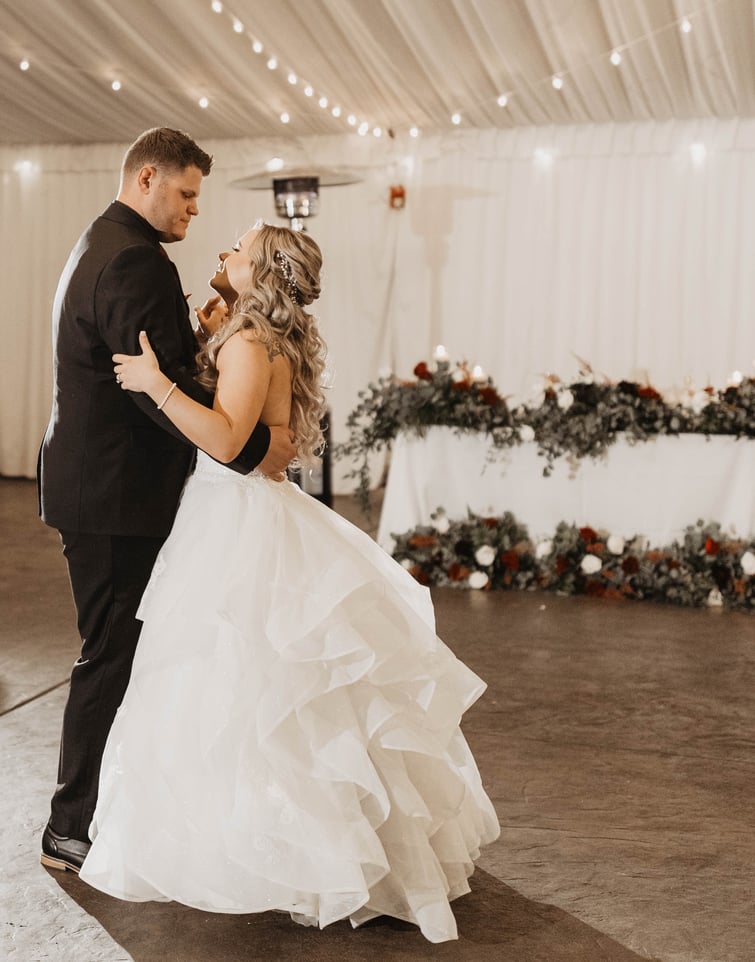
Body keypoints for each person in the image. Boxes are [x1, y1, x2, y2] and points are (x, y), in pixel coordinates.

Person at [78, 222, 500, 944]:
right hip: (245, 511)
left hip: (236, 521)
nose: (222, 254)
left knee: (247, 688)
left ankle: (283, 856)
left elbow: (232, 446)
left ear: (262, 270)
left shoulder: (250, 342)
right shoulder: (263, 337)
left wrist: (155, 384)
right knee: (266, 693)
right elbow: (268, 444)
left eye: (235, 250)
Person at [37, 129, 296, 875]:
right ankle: (68, 825)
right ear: (147, 177)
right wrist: (247, 452)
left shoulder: (104, 242)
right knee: (110, 657)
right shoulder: (135, 260)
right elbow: (151, 387)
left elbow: (166, 367)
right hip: (115, 493)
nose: (191, 212)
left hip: (98, 485)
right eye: (185, 194)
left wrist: (199, 341)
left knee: (123, 652)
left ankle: (112, 806)